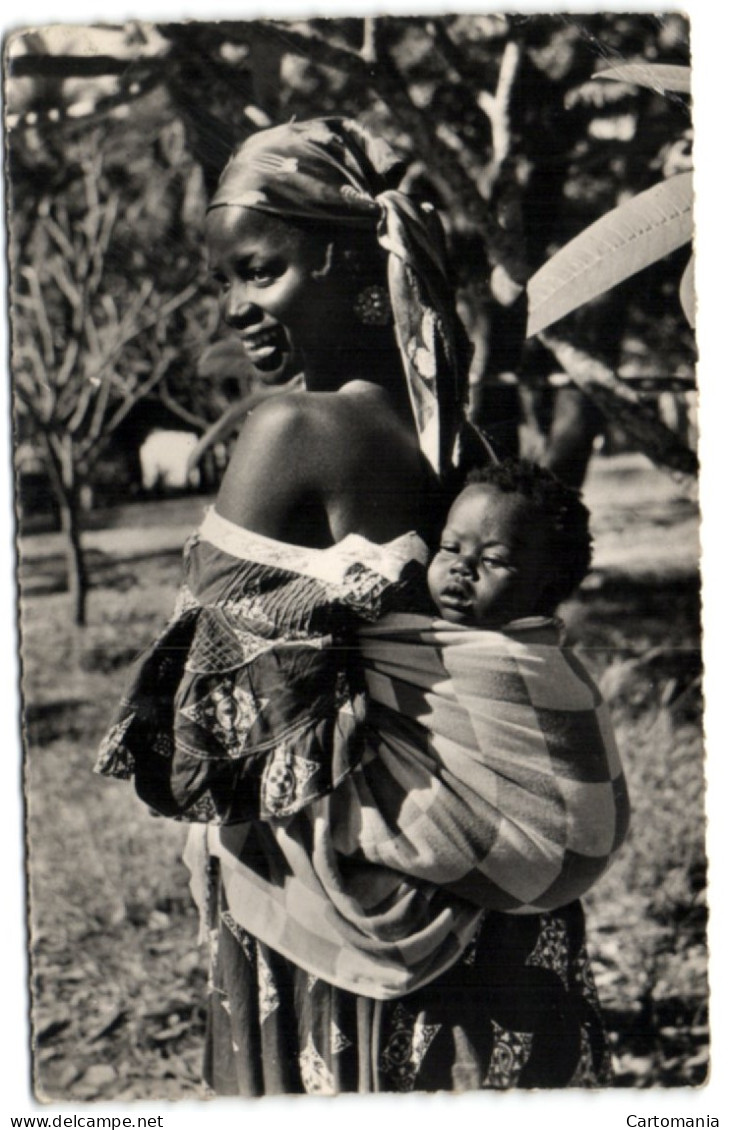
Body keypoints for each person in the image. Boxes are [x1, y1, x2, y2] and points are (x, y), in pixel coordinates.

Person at [97, 118, 614, 1094]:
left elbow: (201, 702)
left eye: (260, 271)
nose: (238, 307)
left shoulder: (293, 425)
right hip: (468, 873)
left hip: (344, 890)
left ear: (340, 259)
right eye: (225, 282)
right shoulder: (451, 423)